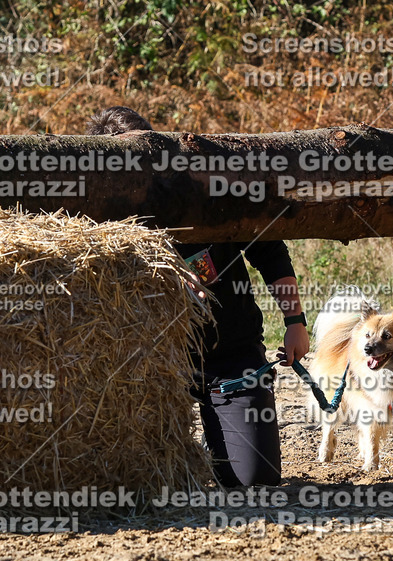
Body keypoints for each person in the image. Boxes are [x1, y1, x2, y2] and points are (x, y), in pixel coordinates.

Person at [87, 106, 309, 487]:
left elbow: (268, 248)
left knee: (256, 481)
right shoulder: (96, 214)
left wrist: (294, 323)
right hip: (150, 370)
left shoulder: (204, 187)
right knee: (139, 483)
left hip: (229, 357)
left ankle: (219, 439)